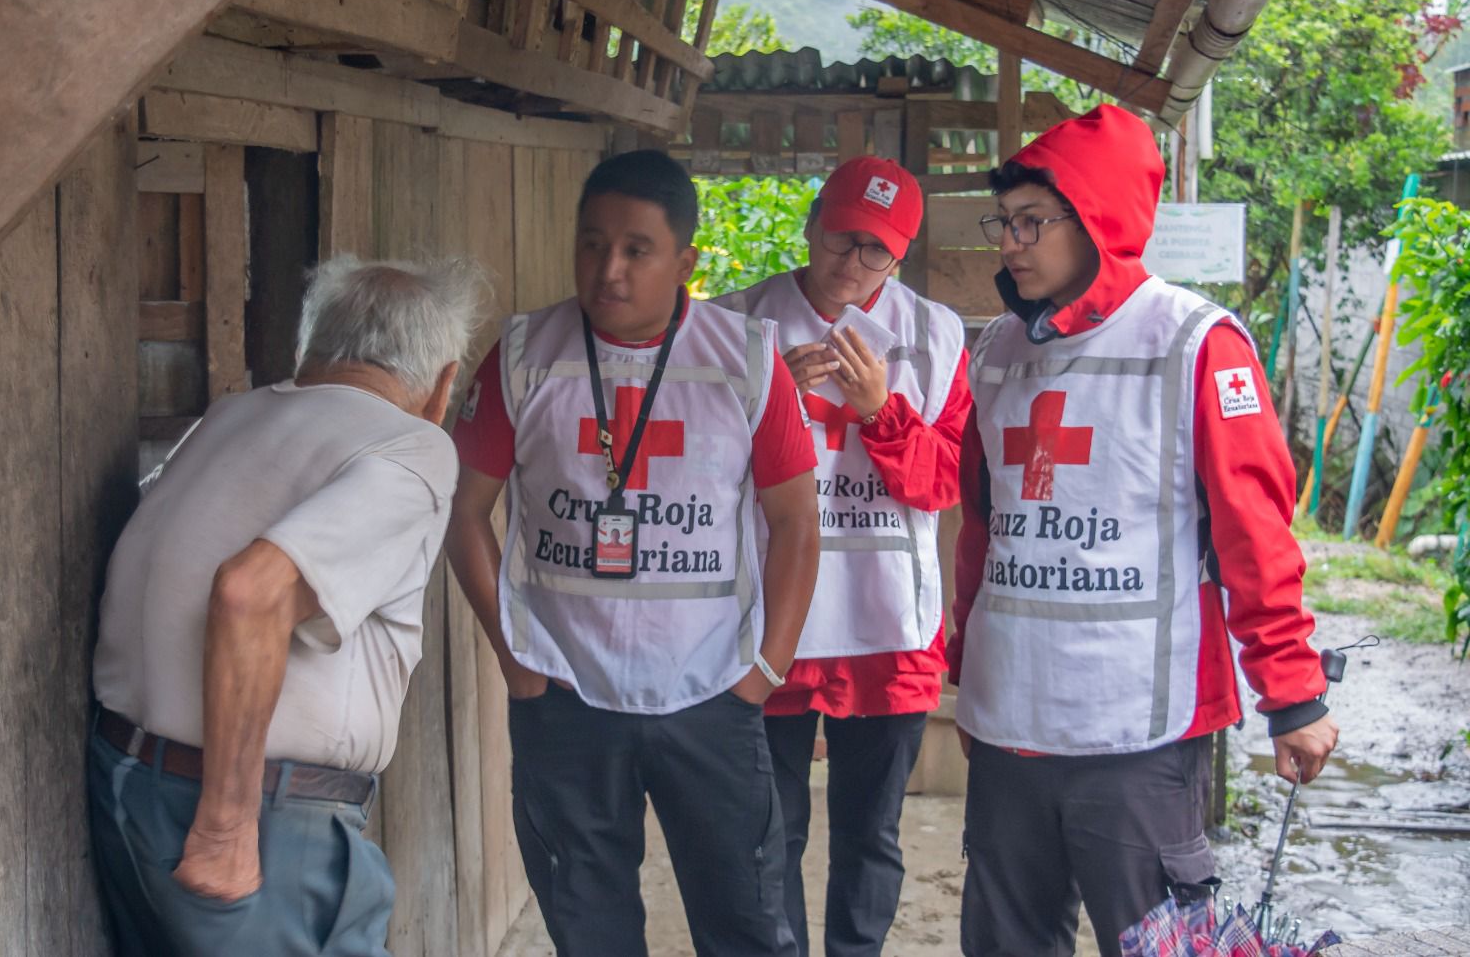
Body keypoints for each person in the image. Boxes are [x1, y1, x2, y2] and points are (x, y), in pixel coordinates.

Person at [949, 105, 1340, 955]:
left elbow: (1254, 531)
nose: (1009, 243)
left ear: (1096, 218)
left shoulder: (1195, 343)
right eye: (1003, 223)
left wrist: (1292, 694)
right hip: (1010, 719)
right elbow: (981, 527)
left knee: (1153, 942)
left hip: (1137, 732)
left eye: (1030, 222)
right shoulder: (995, 352)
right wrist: (964, 659)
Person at [447, 149, 821, 957]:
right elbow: (465, 511)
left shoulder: (744, 360)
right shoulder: (523, 355)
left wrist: (767, 669)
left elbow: (794, 521)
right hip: (565, 691)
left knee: (749, 924)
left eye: (635, 250)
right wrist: (514, 657)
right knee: (589, 926)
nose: (607, 270)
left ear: (685, 260)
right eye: (591, 244)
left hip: (712, 691)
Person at [87, 256, 484, 957]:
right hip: (252, 825)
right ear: (443, 384)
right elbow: (250, 593)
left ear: (310, 349)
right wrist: (225, 827)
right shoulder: (412, 447)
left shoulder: (232, 417)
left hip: (126, 783)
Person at [716, 156, 970, 957]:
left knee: (871, 835)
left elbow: (943, 484)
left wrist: (881, 412)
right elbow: (697, 480)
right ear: (811, 221)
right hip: (773, 619)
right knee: (770, 831)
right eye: (841, 239)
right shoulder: (732, 323)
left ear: (900, 258)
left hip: (886, 619)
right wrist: (764, 406)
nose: (852, 265)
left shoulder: (935, 335)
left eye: (877, 252)